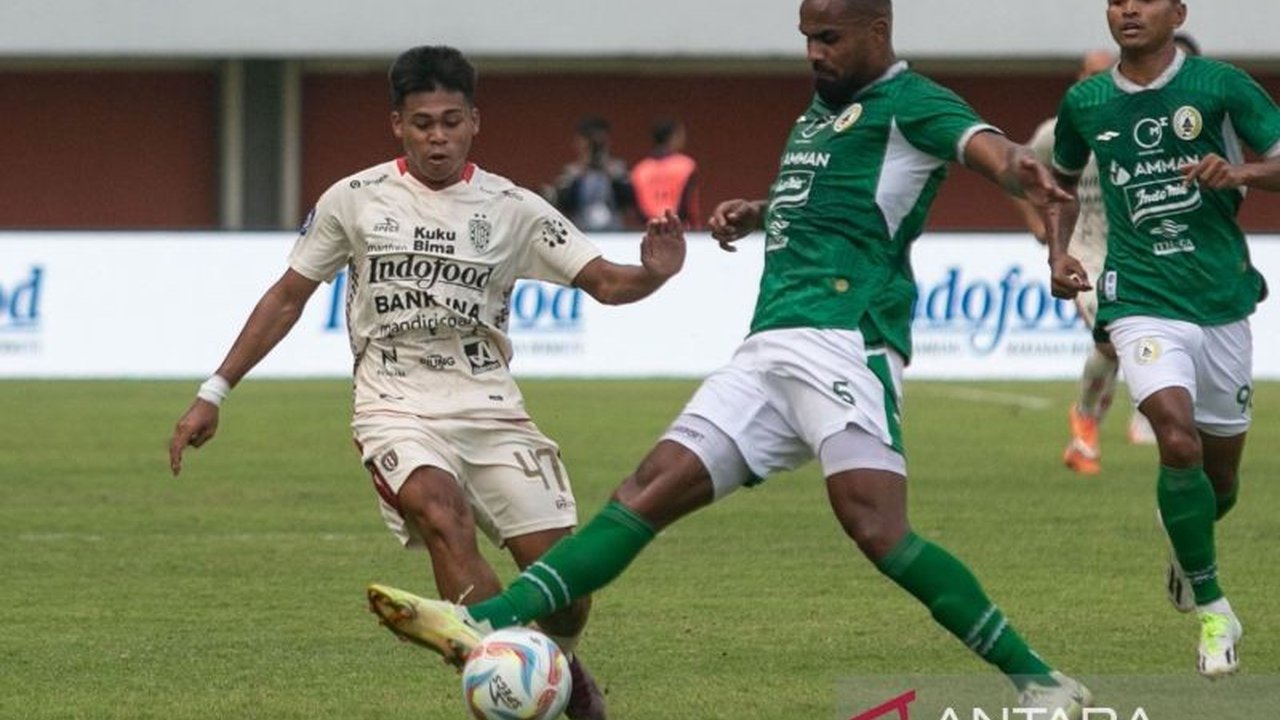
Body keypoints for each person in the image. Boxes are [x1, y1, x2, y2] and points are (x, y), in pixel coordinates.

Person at [366, 2, 1093, 714]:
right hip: (768, 347)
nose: (815, 52)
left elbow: (996, 154)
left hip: (845, 338)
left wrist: (1028, 187)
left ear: (878, 30)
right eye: (807, 37)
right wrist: (762, 210)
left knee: (876, 525)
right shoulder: (818, 113)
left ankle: (1038, 678)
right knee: (645, 489)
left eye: (829, 38)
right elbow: (827, 196)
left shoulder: (914, 103)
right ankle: (486, 622)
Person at [167, 45, 688, 720]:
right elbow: (287, 296)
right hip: (394, 405)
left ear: (475, 121)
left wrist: (655, 273)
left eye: (450, 121)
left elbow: (608, 283)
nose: (437, 137)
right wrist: (215, 391)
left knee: (565, 588)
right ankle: (519, 681)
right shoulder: (353, 200)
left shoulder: (513, 208)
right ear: (397, 126)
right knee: (441, 514)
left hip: (491, 410)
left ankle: (553, 672)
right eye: (422, 124)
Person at [1047, 0, 1279, 678]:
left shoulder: (1221, 86)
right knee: (1175, 437)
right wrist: (1057, 253)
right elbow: (1059, 182)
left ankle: (1188, 553)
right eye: (1117, 0)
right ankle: (1215, 610)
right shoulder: (1087, 101)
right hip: (1140, 296)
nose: (1128, 10)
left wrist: (1237, 173)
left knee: (1220, 482)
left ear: (1177, 10)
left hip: (1220, 298)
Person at [1013, 48, 1150, 476]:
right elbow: (1017, 173)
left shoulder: (1136, 127)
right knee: (1109, 341)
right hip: (1084, 253)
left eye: (1105, 75)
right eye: (1090, 75)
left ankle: (1097, 427)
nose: (1097, 83)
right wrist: (1038, 226)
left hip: (1133, 252)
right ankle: (1086, 423)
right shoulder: (1056, 132)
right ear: (1078, 79)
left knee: (1133, 344)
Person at [547, 115, 637, 232]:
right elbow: (563, 204)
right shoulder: (571, 172)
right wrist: (580, 172)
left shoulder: (617, 169)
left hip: (614, 232)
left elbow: (629, 201)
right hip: (581, 231)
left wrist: (611, 174)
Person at [630, 118, 702, 228]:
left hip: (648, 229)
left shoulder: (640, 169)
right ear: (674, 137)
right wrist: (696, 227)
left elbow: (636, 207)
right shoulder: (686, 165)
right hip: (678, 229)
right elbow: (690, 205)